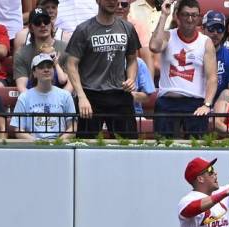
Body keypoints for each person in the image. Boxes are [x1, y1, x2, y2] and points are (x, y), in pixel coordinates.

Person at [65, 0, 141, 139]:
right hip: (91, 95)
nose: (112, 2)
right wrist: (81, 96)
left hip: (120, 93)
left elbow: (132, 59)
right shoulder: (83, 29)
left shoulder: (128, 28)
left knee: (128, 145)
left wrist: (131, 78)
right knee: (86, 147)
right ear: (98, 1)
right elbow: (71, 64)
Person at [148, 0, 216, 138]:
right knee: (163, 147)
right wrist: (164, 15)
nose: (190, 19)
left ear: (199, 17)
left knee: (196, 148)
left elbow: (212, 78)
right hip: (167, 101)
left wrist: (207, 104)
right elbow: (154, 46)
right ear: (177, 16)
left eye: (194, 15)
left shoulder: (205, 42)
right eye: (185, 14)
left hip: (195, 103)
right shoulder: (168, 35)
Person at [10, 54, 76, 140]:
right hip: (33, 145)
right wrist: (37, 142)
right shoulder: (24, 97)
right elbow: (18, 130)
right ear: (34, 73)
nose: (46, 70)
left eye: (49, 66)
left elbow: (73, 128)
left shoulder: (65, 95)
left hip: (59, 145)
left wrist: (57, 143)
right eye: (41, 67)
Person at [14, 7, 70, 93]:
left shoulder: (66, 48)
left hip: (62, 100)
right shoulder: (21, 54)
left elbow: (72, 81)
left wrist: (60, 99)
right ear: (31, 28)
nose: (43, 25)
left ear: (51, 24)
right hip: (33, 101)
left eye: (46, 21)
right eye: (37, 22)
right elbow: (22, 87)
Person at [202, 11, 229, 101]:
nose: (215, 33)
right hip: (191, 103)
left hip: (218, 107)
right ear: (203, 28)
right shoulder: (192, 52)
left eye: (220, 29)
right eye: (211, 28)